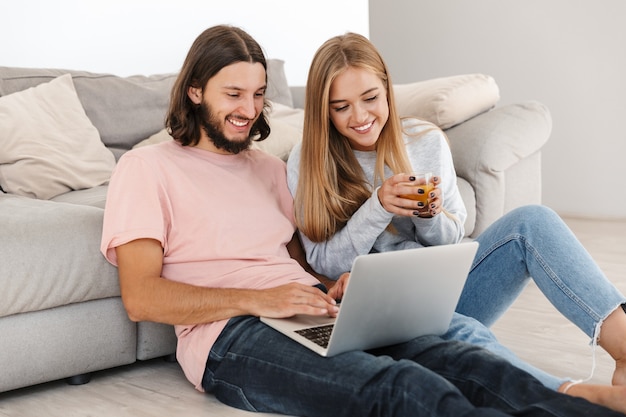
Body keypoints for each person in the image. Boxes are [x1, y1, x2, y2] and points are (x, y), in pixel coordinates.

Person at [98, 25, 626, 417]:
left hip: (318, 313)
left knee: (468, 361)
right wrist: (260, 301)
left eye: (259, 96)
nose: (249, 110)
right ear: (195, 91)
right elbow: (142, 298)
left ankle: (594, 404)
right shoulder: (146, 168)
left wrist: (343, 287)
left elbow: (303, 260)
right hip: (232, 336)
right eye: (233, 95)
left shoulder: (266, 169)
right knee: (395, 387)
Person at [286, 31, 626, 413]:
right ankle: (570, 398)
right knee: (465, 333)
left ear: (387, 90)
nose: (361, 117)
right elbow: (324, 264)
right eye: (341, 106)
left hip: (444, 289)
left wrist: (428, 214)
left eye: (370, 99)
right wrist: (378, 206)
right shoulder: (307, 161)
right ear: (323, 110)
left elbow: (449, 245)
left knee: (532, 221)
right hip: (382, 313)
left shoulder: (424, 140)